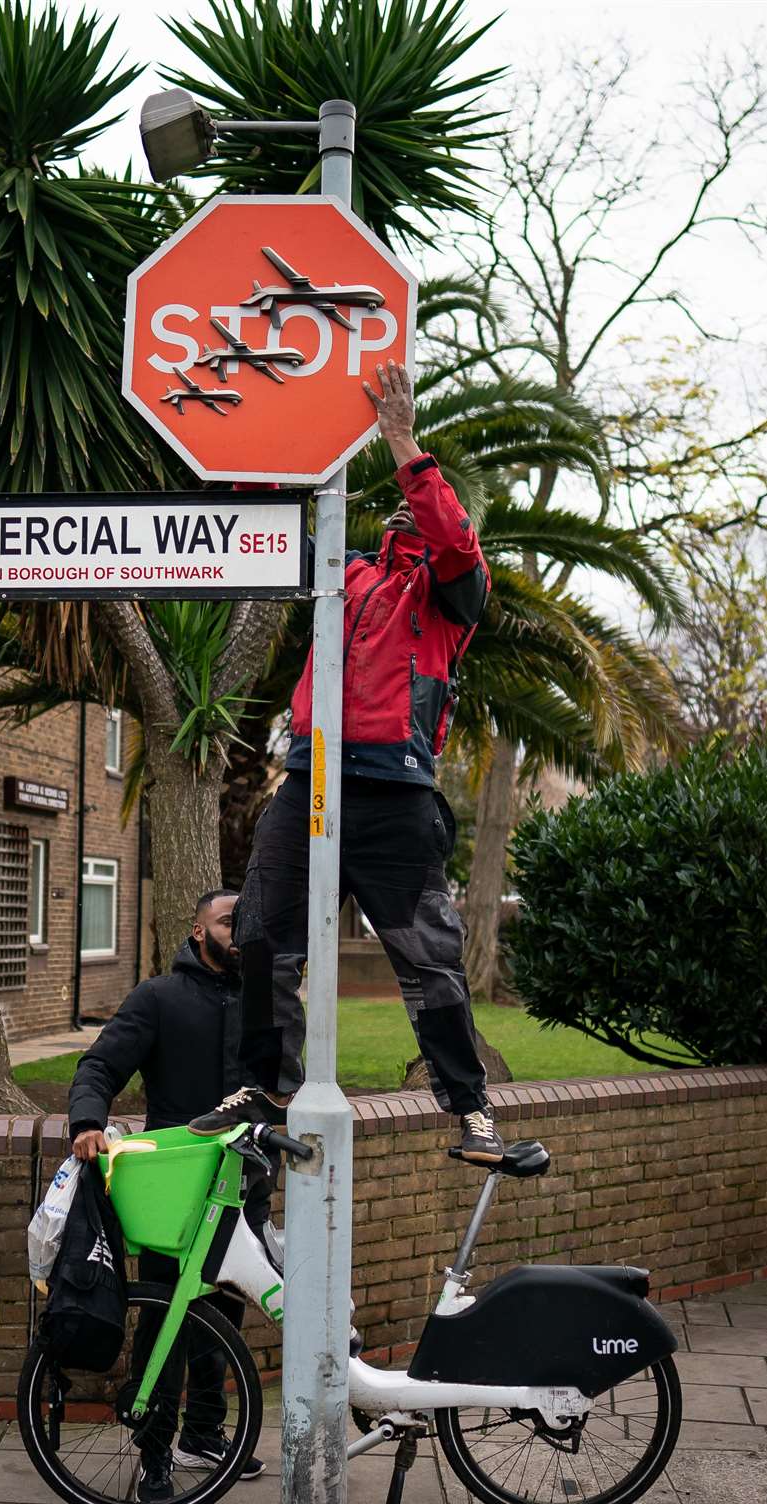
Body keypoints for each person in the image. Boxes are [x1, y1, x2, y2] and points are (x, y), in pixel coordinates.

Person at [188, 361, 504, 1166]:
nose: (407, 501)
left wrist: (403, 440)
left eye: (420, 496)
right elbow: (257, 539)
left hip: (395, 795)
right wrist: (250, 446)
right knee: (259, 934)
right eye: (401, 495)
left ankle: (469, 1109)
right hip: (310, 783)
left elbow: (458, 542)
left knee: (429, 960)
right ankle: (263, 1087)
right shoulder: (346, 571)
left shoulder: (451, 596)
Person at [69, 889, 268, 1502]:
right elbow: (99, 1066)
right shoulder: (158, 997)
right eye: (227, 921)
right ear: (197, 930)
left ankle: (204, 1434)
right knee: (165, 1320)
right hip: (175, 1191)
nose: (238, 931)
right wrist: (86, 1122)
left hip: (244, 1183)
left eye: (245, 921)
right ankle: (155, 1455)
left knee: (226, 1315)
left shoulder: (266, 1001)